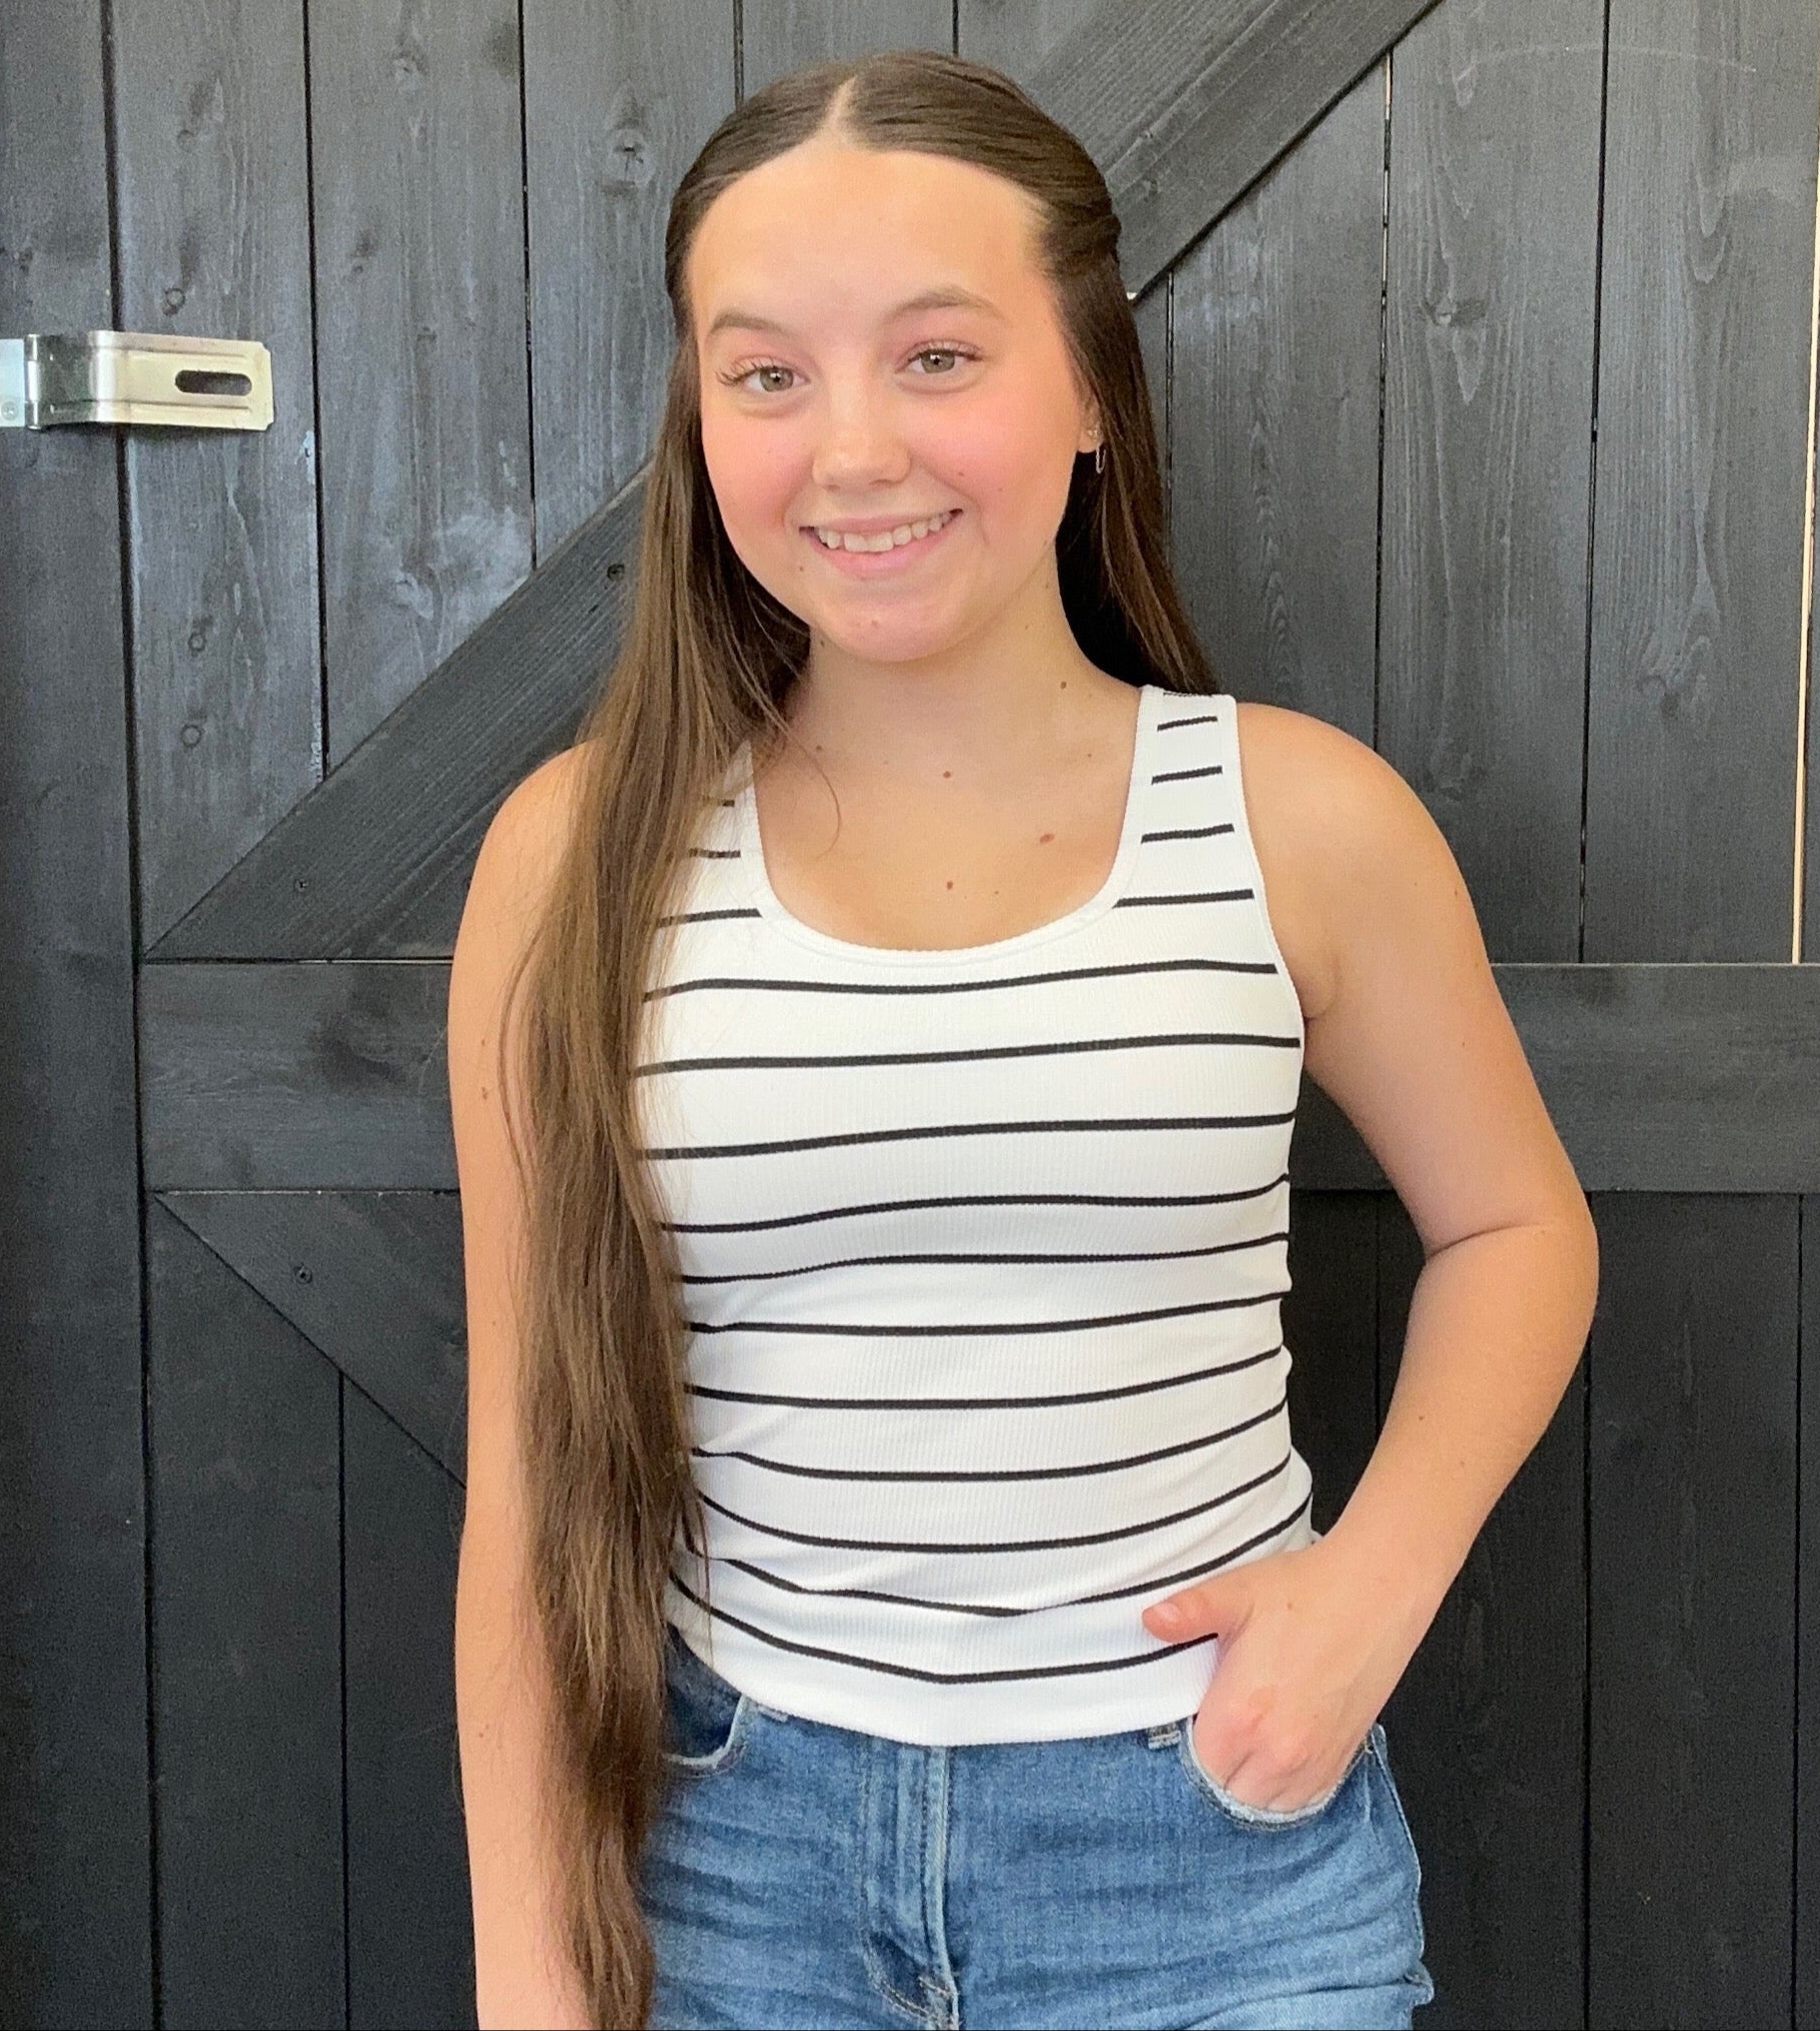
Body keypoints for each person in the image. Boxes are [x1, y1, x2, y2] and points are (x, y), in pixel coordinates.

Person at [451, 49, 1598, 2031]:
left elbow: (1517, 1231)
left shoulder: (1298, 821)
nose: (852, 451)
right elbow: (531, 1482)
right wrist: (532, 1984)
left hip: (1211, 1857)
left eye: (936, 357)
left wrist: (1373, 1587)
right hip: (733, 1860)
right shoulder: (576, 858)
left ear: (1089, 391)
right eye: (766, 374)